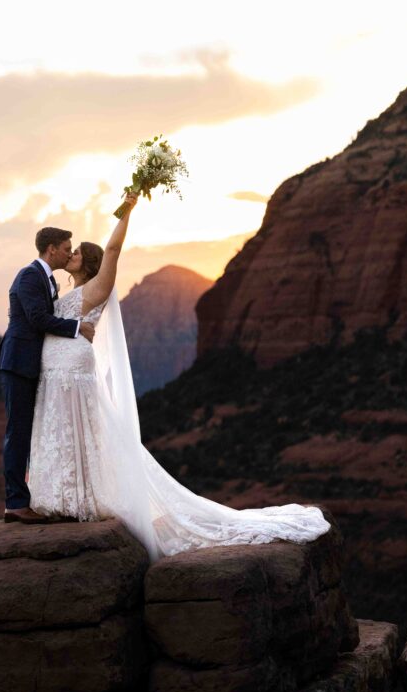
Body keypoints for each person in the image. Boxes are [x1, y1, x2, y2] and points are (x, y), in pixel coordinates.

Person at [28, 195, 331, 559]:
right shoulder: (64, 289)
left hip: (74, 369)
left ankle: (78, 499)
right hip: (55, 369)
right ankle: (63, 494)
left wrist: (127, 208)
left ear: (89, 263)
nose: (71, 252)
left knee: (80, 425)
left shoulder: (97, 286)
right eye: (68, 249)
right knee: (64, 427)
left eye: (76, 251)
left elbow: (112, 249)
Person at [0, 226, 96, 524]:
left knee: (26, 431)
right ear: (51, 249)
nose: (69, 253)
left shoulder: (47, 279)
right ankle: (15, 504)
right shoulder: (29, 275)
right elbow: (37, 318)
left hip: (30, 364)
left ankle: (22, 499)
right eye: (67, 248)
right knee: (17, 432)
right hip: (17, 363)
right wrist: (79, 328)